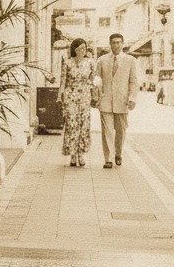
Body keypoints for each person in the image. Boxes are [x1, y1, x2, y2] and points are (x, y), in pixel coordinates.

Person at [94, 32, 140, 169]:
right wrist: (96, 95)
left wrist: (132, 98)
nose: (116, 45)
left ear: (123, 44)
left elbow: (133, 81)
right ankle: (108, 158)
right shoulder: (102, 60)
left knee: (121, 131)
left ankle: (118, 153)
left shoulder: (130, 60)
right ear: (110, 44)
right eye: (114, 42)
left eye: (119, 42)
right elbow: (97, 79)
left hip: (123, 101)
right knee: (107, 130)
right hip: (106, 100)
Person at [56, 37, 97, 167]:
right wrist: (60, 95)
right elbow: (63, 80)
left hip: (85, 96)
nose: (82, 51)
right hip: (70, 96)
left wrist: (95, 95)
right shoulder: (67, 63)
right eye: (79, 48)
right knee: (71, 123)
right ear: (74, 49)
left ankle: (81, 153)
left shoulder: (90, 63)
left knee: (84, 124)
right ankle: (73, 154)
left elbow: (93, 80)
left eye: (84, 48)